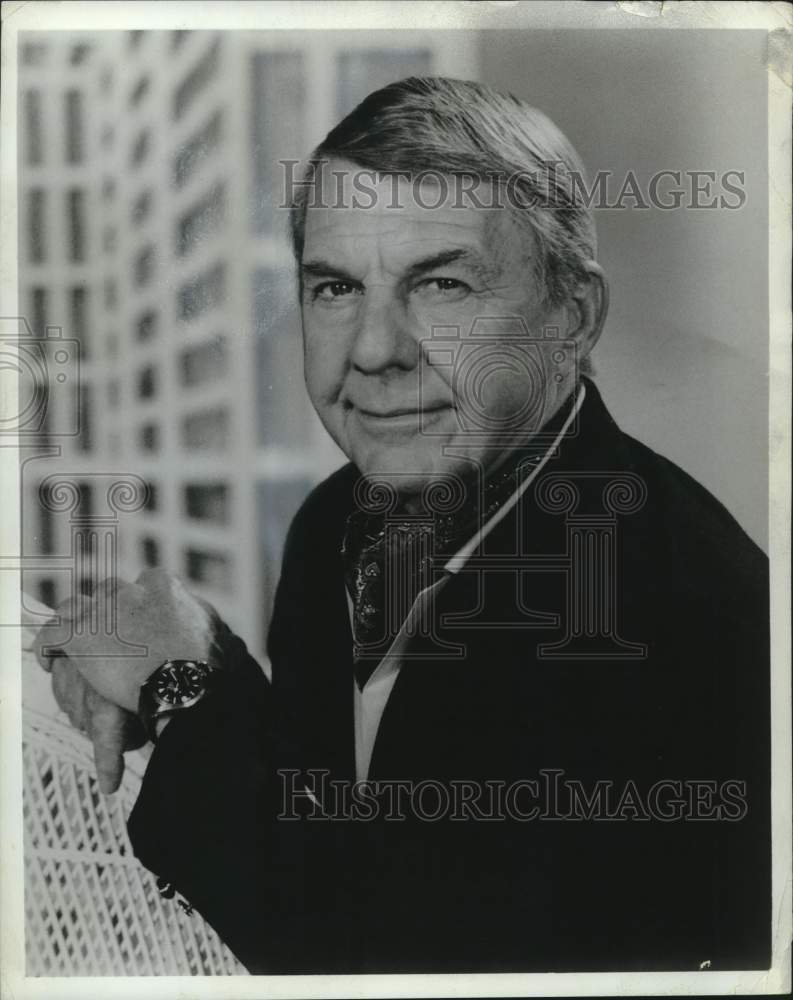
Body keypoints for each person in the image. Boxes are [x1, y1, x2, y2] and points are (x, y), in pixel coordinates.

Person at [35, 77, 770, 974]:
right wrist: (199, 663)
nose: (375, 349)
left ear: (572, 316)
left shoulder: (693, 615)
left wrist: (179, 686)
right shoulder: (332, 522)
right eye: (335, 288)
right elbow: (338, 833)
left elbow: (387, 956)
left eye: (442, 284)